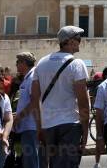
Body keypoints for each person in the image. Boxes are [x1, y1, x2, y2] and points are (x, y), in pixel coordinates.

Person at [31, 25, 90, 168]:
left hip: (47, 125)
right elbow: (83, 101)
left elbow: (34, 99)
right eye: (78, 38)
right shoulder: (77, 64)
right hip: (69, 124)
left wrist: (39, 127)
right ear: (70, 41)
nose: (80, 41)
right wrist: (85, 129)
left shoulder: (41, 63)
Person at [13, 52, 40, 168]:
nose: (16, 65)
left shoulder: (32, 77)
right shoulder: (28, 77)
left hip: (31, 126)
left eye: (18, 62)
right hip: (27, 126)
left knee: (31, 161)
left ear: (24, 63)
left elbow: (34, 102)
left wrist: (18, 117)